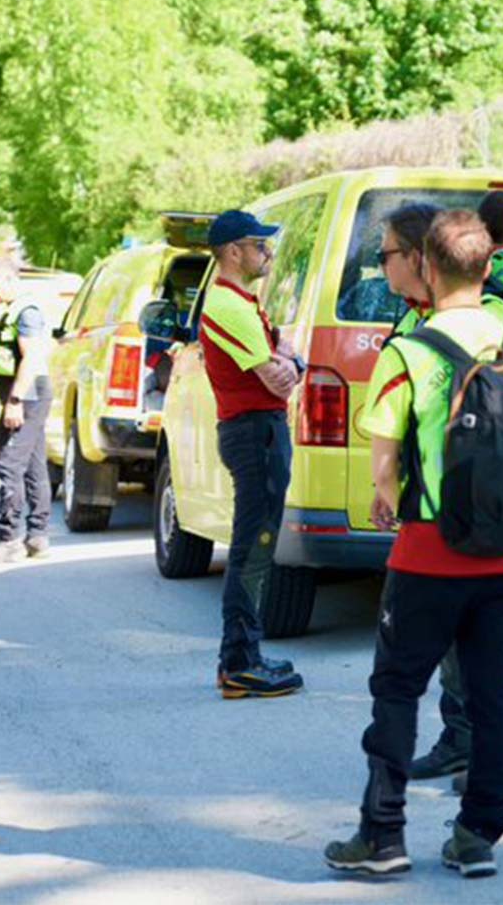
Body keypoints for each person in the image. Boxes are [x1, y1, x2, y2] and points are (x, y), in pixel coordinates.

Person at [324, 209, 503, 879]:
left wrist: (385, 494)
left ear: (426, 264)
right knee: (493, 694)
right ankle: (478, 834)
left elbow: (384, 460)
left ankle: (382, 836)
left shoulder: (410, 350)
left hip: (427, 554)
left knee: (397, 689)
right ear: (487, 266)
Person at [199, 209, 306, 699]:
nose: (267, 254)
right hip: (255, 432)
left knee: (254, 547)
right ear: (234, 252)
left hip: (256, 430)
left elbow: (282, 351)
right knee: (253, 550)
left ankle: (243, 657)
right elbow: (277, 373)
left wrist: (287, 355)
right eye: (259, 246)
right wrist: (292, 361)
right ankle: (241, 662)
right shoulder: (230, 305)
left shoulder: (240, 301)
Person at [0, 257, 54, 564]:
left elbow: (32, 357)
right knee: (34, 464)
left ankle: (8, 539)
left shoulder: (27, 311)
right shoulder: (11, 311)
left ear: (8, 279)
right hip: (24, 394)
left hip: (27, 395)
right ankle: (37, 536)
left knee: (9, 464)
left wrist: (15, 401)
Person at [378, 203, 438, 339]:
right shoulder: (415, 312)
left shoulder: (456, 322)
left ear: (414, 259)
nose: (381, 266)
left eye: (383, 256)